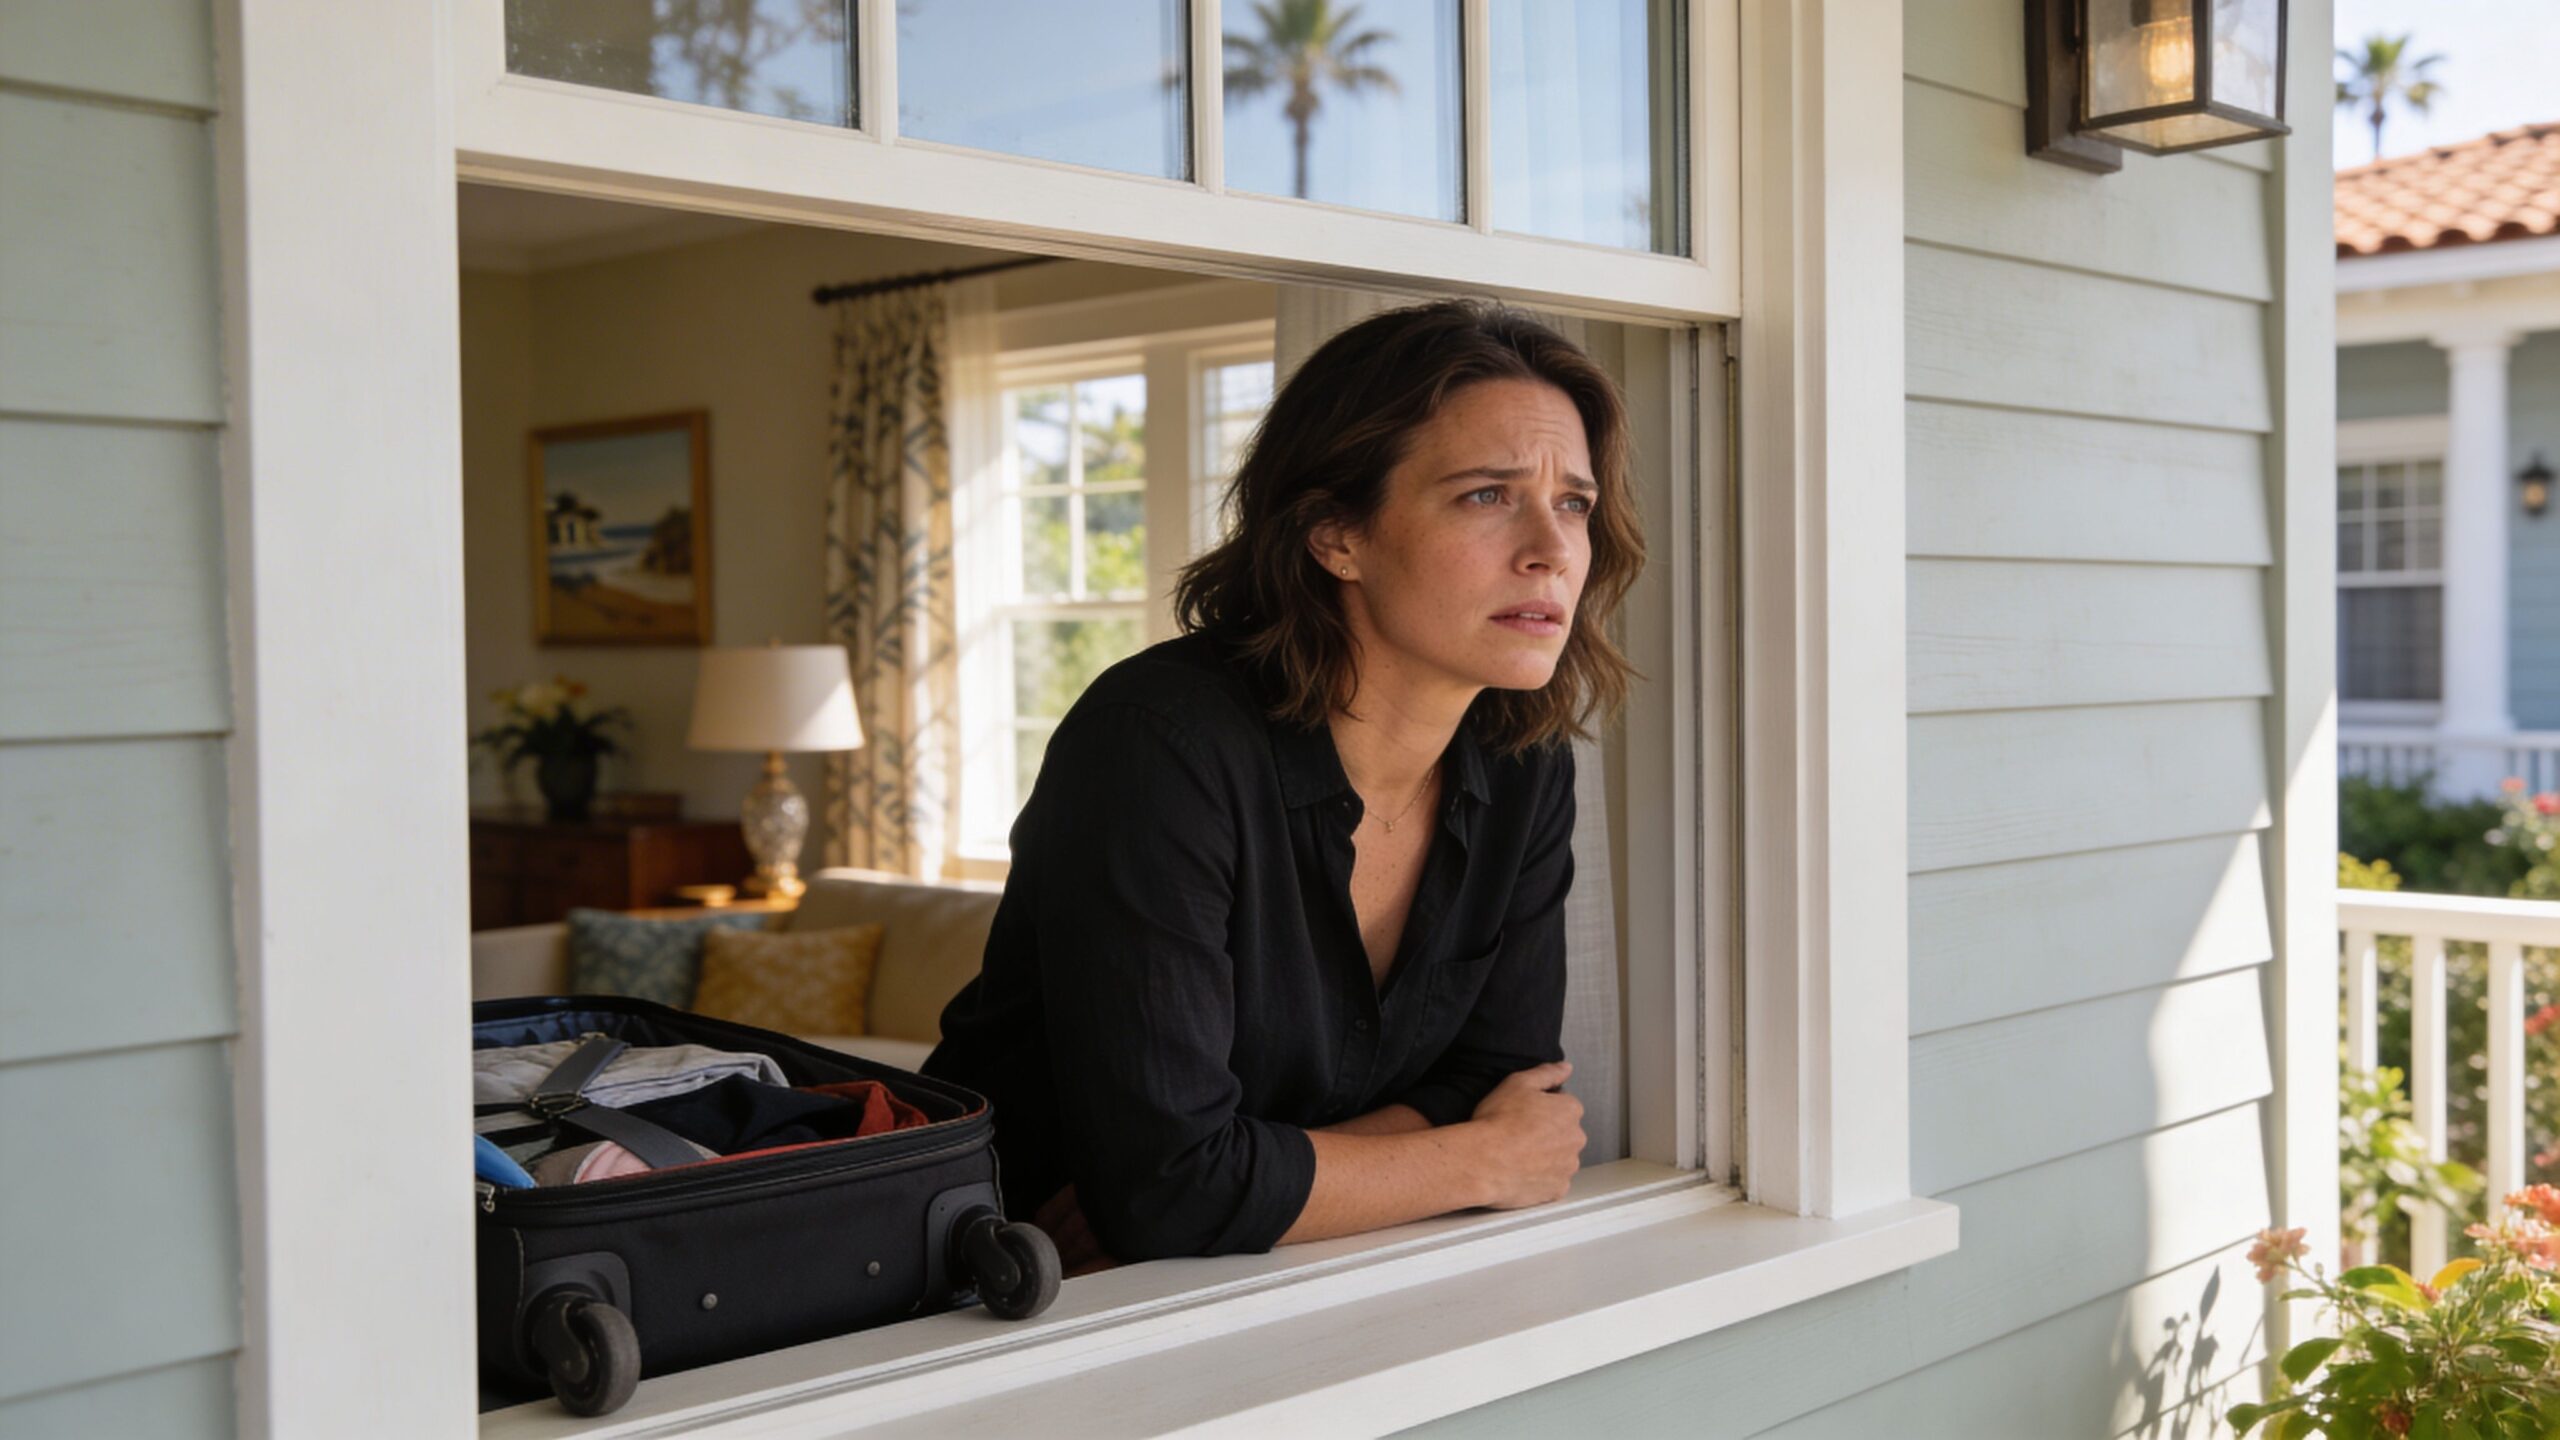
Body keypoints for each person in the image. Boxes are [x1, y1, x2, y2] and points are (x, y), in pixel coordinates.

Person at [922, 299, 1647, 1269]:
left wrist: (1251, 1182)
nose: (1553, 552)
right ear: (1335, 534)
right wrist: (1479, 1163)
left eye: (1573, 503)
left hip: (1305, 1280)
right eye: (1486, 494)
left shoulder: (1522, 757)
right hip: (1003, 1296)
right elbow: (1169, 1195)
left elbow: (1495, 1078)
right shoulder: (1158, 744)